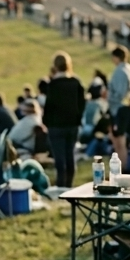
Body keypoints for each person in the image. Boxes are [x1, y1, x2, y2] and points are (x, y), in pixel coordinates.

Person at [43, 51, 86, 187]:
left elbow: (48, 107)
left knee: (59, 159)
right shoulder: (76, 83)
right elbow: (82, 103)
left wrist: (46, 121)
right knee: (70, 156)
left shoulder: (52, 85)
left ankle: (61, 185)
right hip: (72, 125)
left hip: (56, 126)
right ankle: (69, 184)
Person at [109, 45, 130, 169]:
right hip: (126, 108)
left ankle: (123, 168)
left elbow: (120, 92)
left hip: (119, 108)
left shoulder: (120, 71)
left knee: (120, 142)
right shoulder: (129, 68)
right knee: (122, 141)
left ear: (116, 57)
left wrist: (109, 96)